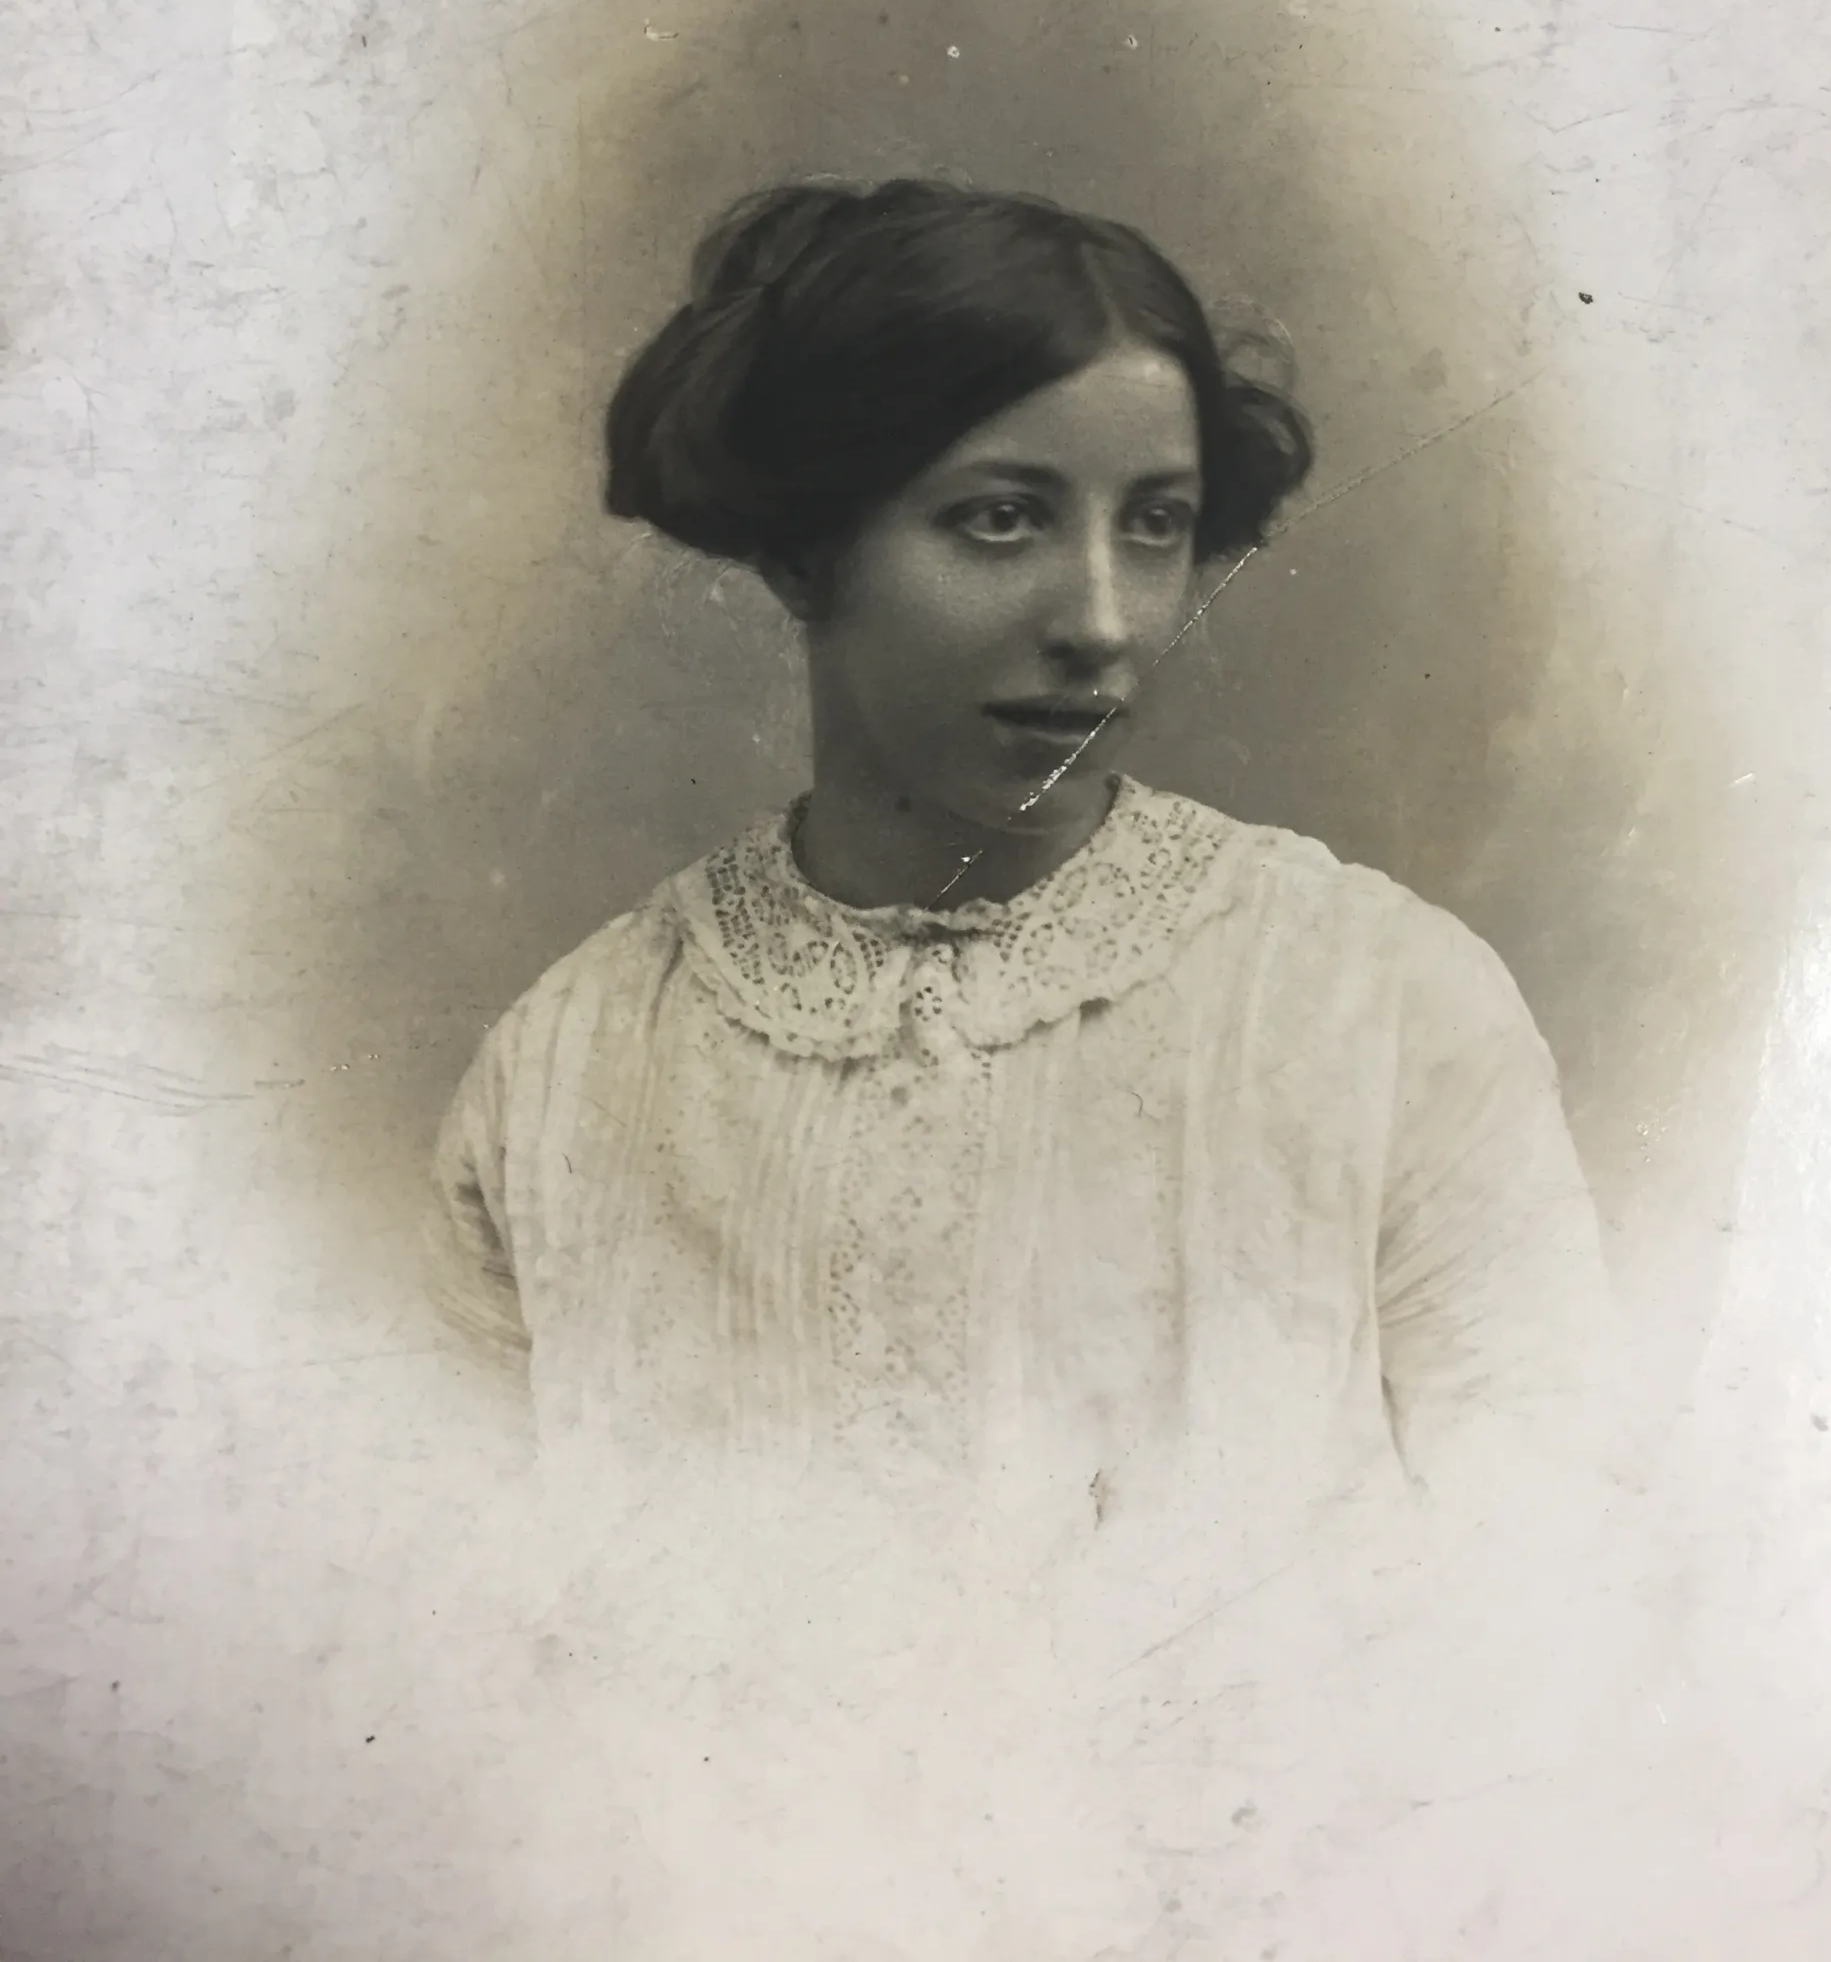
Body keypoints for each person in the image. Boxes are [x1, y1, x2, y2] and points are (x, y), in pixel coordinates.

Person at [418, 176, 1633, 1957]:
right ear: (804, 550)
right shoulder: (567, 1073)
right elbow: (452, 1714)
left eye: (1159, 527)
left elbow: (1561, 1641)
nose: (1104, 619)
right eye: (1000, 520)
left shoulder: (1382, 1007)